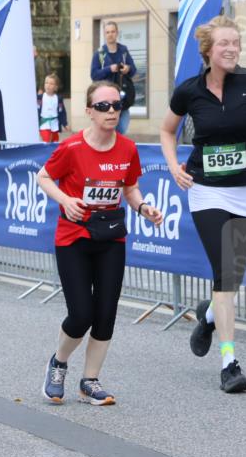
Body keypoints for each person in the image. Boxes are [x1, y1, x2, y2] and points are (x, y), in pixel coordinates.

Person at [160, 15, 246, 393]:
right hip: (205, 191)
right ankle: (230, 362)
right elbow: (167, 130)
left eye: (235, 42)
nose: (232, 48)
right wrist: (172, 166)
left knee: (232, 276)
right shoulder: (188, 91)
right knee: (226, 274)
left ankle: (211, 314)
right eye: (224, 44)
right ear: (208, 51)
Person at [38, 80, 163, 405]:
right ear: (89, 111)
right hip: (74, 237)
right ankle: (59, 362)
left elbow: (130, 187)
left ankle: (90, 381)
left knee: (105, 313)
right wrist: (66, 200)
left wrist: (143, 207)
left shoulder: (127, 148)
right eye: (104, 106)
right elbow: (43, 177)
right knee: (81, 314)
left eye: (116, 105)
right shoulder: (73, 147)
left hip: (111, 237)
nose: (111, 111)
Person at [90, 21, 138, 135]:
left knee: (121, 130)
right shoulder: (99, 54)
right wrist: (109, 69)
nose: (110, 34)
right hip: (106, 100)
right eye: (107, 32)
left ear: (117, 33)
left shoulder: (123, 51)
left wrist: (127, 68)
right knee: (108, 131)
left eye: (112, 31)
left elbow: (134, 70)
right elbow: (94, 75)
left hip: (122, 99)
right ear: (104, 34)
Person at [37, 73, 68, 143]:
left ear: (55, 87)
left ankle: (53, 153)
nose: (48, 85)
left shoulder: (58, 98)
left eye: (51, 84)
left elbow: (62, 111)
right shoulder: (40, 98)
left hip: (55, 124)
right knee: (47, 141)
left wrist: (65, 123)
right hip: (44, 124)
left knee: (55, 142)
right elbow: (35, 110)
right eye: (46, 83)